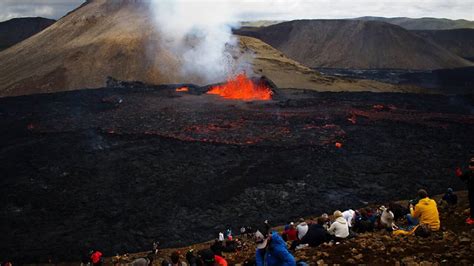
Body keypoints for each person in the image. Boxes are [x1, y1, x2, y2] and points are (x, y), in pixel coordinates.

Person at [456, 158, 474, 225]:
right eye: (471, 165)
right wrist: (459, 174)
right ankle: (472, 217)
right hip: (471, 191)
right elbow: (463, 178)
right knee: (471, 204)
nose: (471, 166)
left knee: (473, 204)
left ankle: (472, 219)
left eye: (473, 165)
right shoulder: (469, 172)